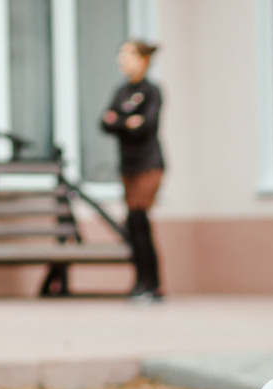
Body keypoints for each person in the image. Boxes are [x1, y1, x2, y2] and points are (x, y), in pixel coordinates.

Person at [99, 38, 165, 300]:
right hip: (128, 166)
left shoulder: (152, 91)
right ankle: (142, 281)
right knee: (133, 224)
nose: (122, 60)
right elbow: (105, 123)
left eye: (128, 55)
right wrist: (128, 122)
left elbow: (147, 125)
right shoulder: (122, 91)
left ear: (143, 60)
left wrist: (121, 121)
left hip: (149, 165)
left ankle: (151, 284)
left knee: (139, 219)